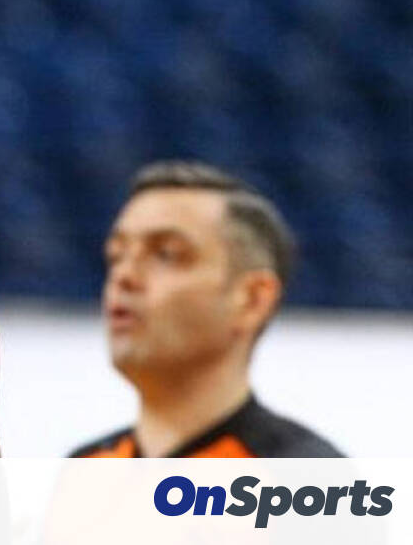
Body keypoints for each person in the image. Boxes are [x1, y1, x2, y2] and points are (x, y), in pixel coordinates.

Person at [71, 161, 342, 458]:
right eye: (116, 256)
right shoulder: (86, 466)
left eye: (167, 254)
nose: (123, 276)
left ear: (252, 299)